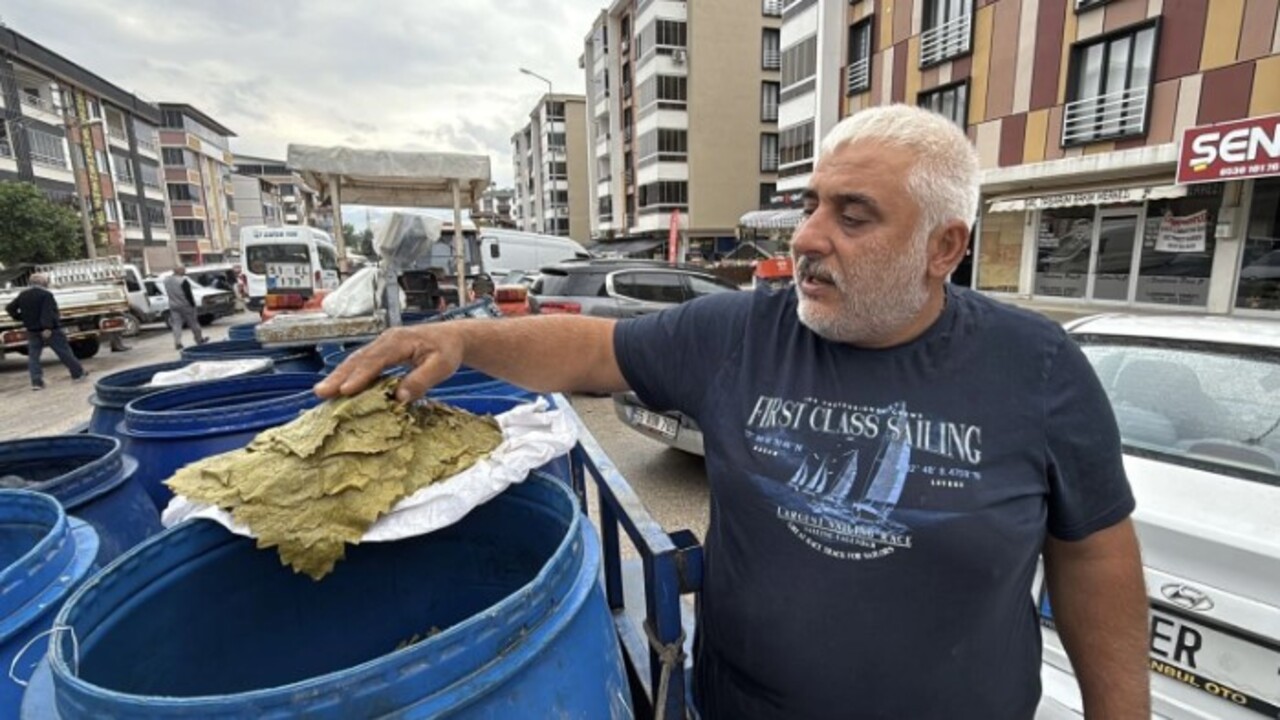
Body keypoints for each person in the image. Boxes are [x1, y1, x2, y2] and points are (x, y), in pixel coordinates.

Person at [317, 105, 1149, 719]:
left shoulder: (1038, 369)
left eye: (852, 215)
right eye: (812, 204)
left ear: (944, 248)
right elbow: (591, 351)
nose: (807, 237)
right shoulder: (744, 331)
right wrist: (463, 337)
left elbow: (1097, 562)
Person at [5, 273, 89, 390]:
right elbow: (47, 312)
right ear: (42, 283)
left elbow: (9, 308)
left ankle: (36, 382)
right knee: (64, 352)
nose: (47, 283)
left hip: (32, 330)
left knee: (34, 356)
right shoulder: (46, 295)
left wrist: (21, 317)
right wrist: (47, 327)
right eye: (46, 281)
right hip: (50, 330)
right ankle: (78, 373)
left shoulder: (23, 295)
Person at [163, 265, 209, 351]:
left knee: (176, 324)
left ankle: (178, 343)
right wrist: (193, 305)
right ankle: (199, 339)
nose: (185, 271)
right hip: (185, 305)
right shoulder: (183, 281)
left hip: (173, 305)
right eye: (183, 270)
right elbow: (188, 294)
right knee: (193, 322)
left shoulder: (166, 280)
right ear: (178, 271)